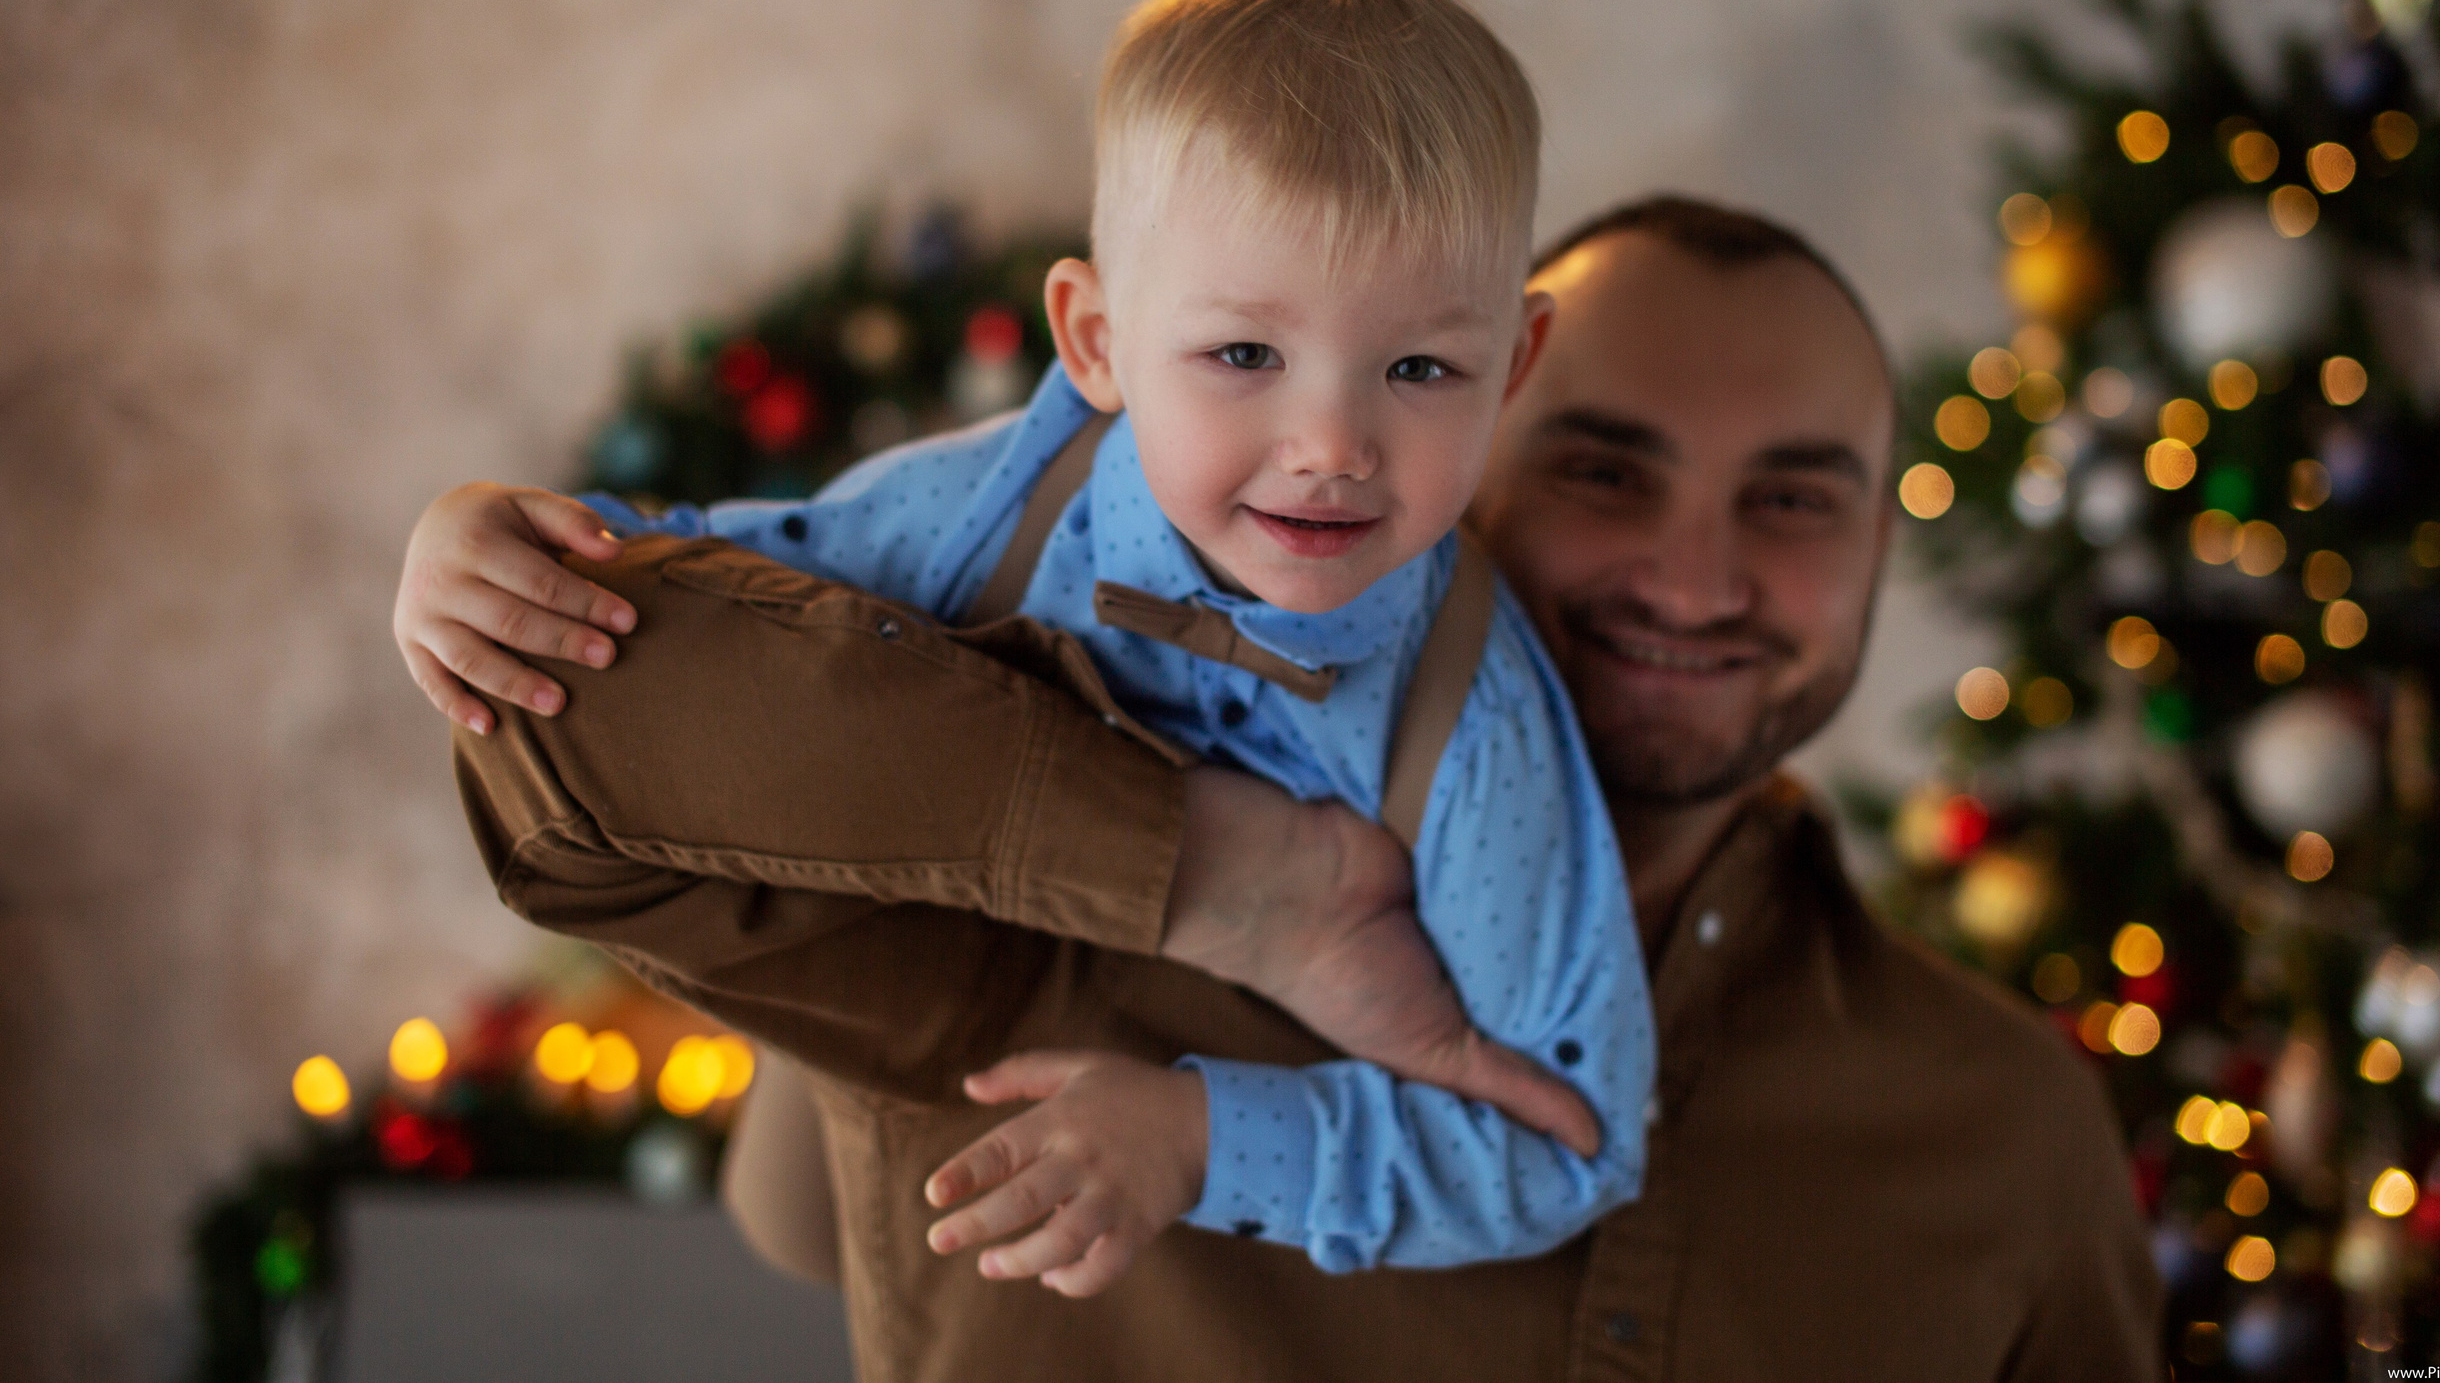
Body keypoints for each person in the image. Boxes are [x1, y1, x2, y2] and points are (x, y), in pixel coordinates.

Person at [408, 194, 2163, 1380]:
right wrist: (1203, 872)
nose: (1693, 577)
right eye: (1605, 470)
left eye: (1796, 497)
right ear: (1453, 461)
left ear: (1876, 545)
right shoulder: (1011, 838)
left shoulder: (2006, 1131)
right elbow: (562, 749)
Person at [394, 0, 1658, 1292]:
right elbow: (689, 591)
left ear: (1512, 366)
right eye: (1244, 355)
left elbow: (1571, 1140)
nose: (1333, 444)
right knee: (570, 676)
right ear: (1096, 339)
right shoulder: (1000, 508)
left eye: (1420, 368)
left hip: (1158, 1168)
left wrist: (1208, 1138)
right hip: (909, 1014)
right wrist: (480, 543)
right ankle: (1225, 881)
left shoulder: (1473, 716)